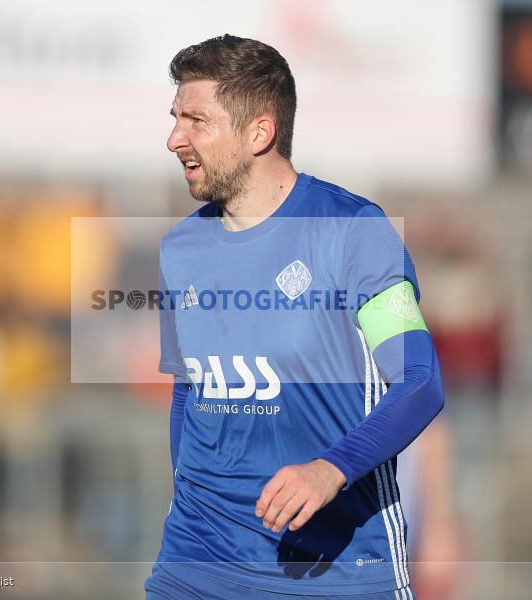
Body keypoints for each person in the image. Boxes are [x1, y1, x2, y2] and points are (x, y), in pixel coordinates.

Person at [145, 35, 444, 600]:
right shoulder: (179, 250)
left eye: (196, 121)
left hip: (331, 573)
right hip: (197, 565)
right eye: (174, 119)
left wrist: (329, 469)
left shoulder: (353, 232)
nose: (173, 139)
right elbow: (188, 390)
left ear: (260, 132)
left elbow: (419, 382)